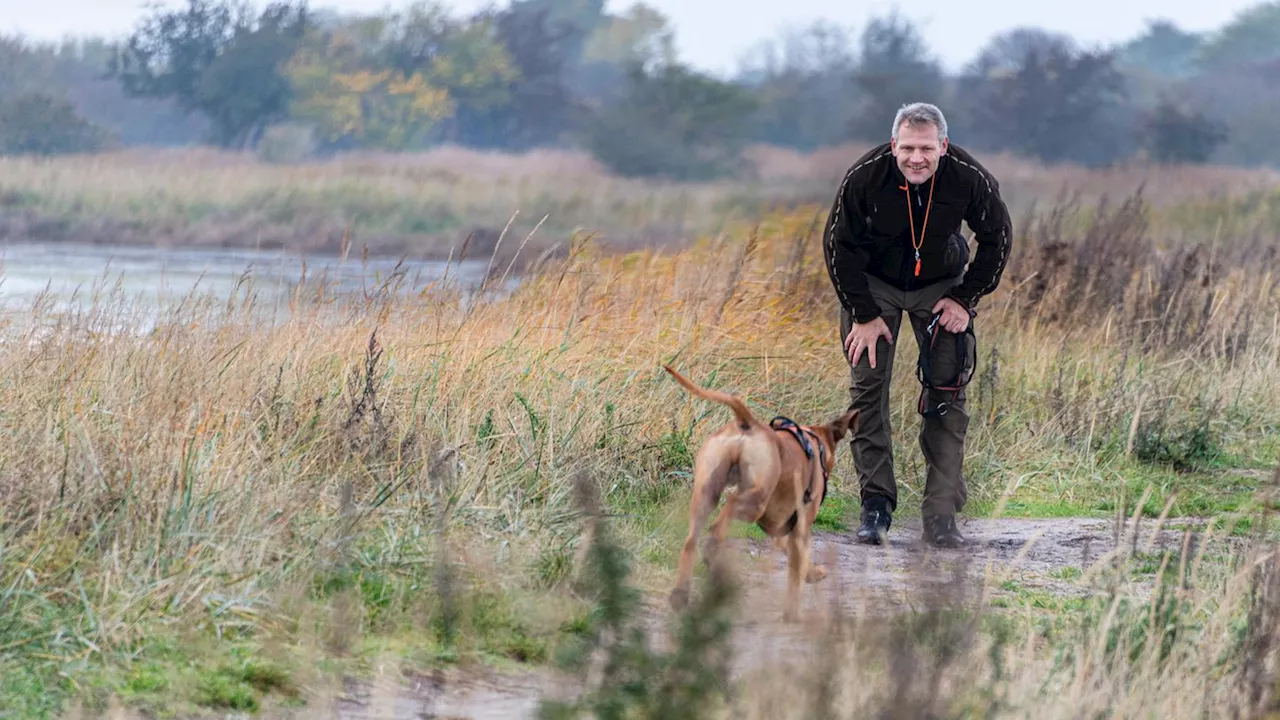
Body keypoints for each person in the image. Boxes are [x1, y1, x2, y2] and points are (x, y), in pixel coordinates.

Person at [822, 102, 1012, 548]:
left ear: (942, 147)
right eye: (907, 148)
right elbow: (838, 247)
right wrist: (864, 316)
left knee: (947, 391)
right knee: (868, 391)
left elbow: (998, 239)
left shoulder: (970, 178)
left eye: (926, 148)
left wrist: (965, 299)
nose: (916, 158)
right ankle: (876, 506)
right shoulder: (865, 176)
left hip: (941, 284)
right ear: (894, 146)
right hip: (873, 285)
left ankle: (941, 514)